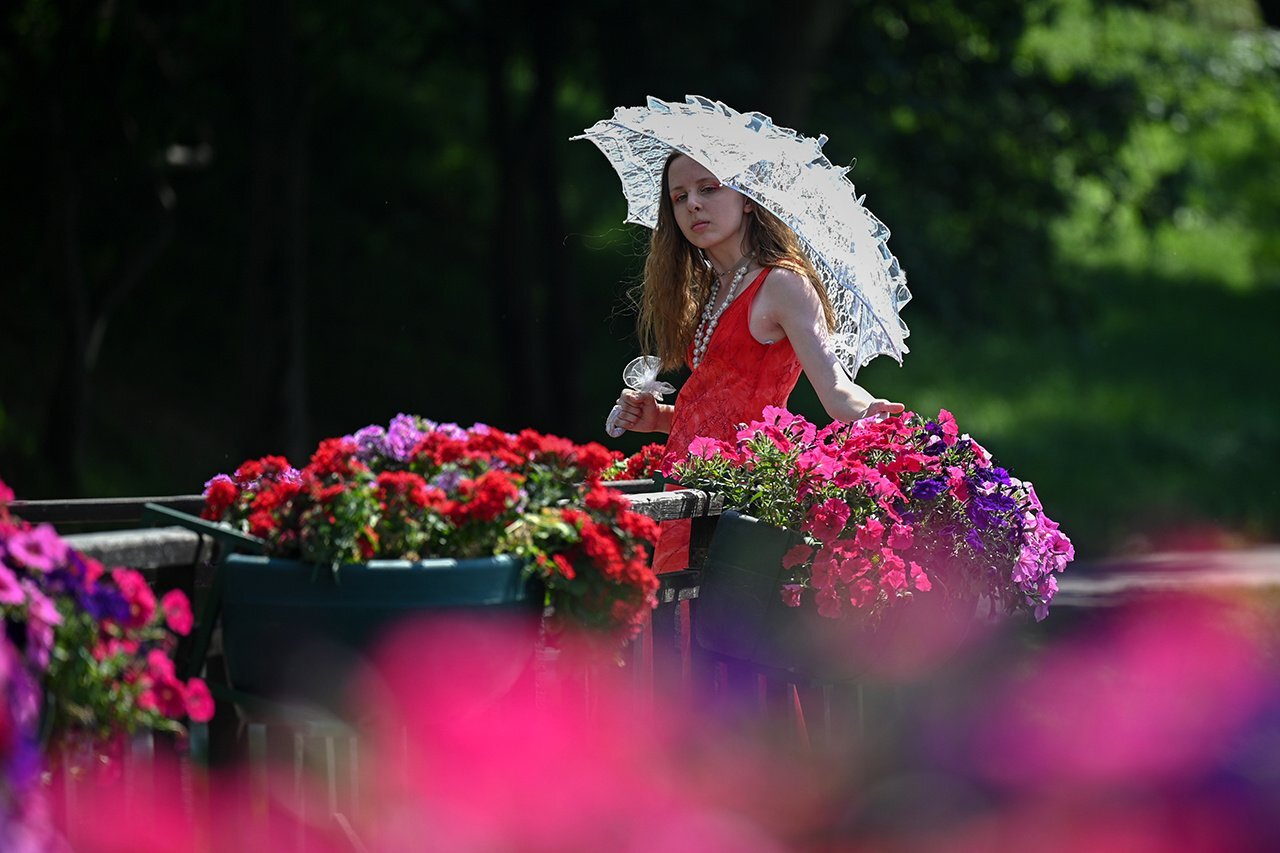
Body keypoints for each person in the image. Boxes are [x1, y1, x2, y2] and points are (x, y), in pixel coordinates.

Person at [609, 152, 904, 573]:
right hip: (687, 483)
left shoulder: (782, 283)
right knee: (672, 626)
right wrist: (659, 419)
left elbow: (835, 388)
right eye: (679, 197)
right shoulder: (709, 290)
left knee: (706, 630)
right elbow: (721, 409)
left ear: (748, 198)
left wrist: (871, 413)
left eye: (708, 188)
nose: (692, 204)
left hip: (739, 495)